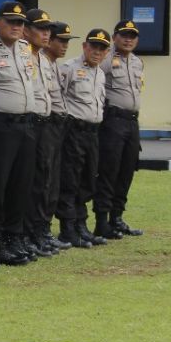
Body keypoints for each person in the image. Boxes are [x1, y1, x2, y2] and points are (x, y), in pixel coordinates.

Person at [0, 1, 36, 266]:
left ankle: (15, 236)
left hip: (26, 125)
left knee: (21, 183)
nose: (16, 27)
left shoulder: (26, 50)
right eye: (11, 22)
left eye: (21, 23)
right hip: (1, 125)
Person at [57, 30, 110, 249]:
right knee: (71, 180)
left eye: (102, 48)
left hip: (92, 132)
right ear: (85, 47)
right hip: (74, 131)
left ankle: (81, 225)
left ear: (107, 52)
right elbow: (57, 98)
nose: (97, 52)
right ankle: (68, 229)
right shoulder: (69, 68)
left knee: (88, 180)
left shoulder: (101, 73)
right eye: (94, 46)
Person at [96, 20, 145, 239]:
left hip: (132, 122)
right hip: (112, 121)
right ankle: (102, 221)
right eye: (124, 35)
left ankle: (117, 218)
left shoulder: (137, 62)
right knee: (109, 171)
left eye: (132, 36)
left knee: (126, 171)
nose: (128, 39)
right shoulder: (105, 59)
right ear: (115, 37)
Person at [21, 8, 56, 259]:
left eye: (48, 29)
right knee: (27, 180)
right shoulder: (21, 55)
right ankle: (24, 232)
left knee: (43, 178)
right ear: (26, 30)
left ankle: (38, 230)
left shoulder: (43, 58)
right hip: (29, 122)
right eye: (40, 29)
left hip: (46, 123)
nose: (46, 34)